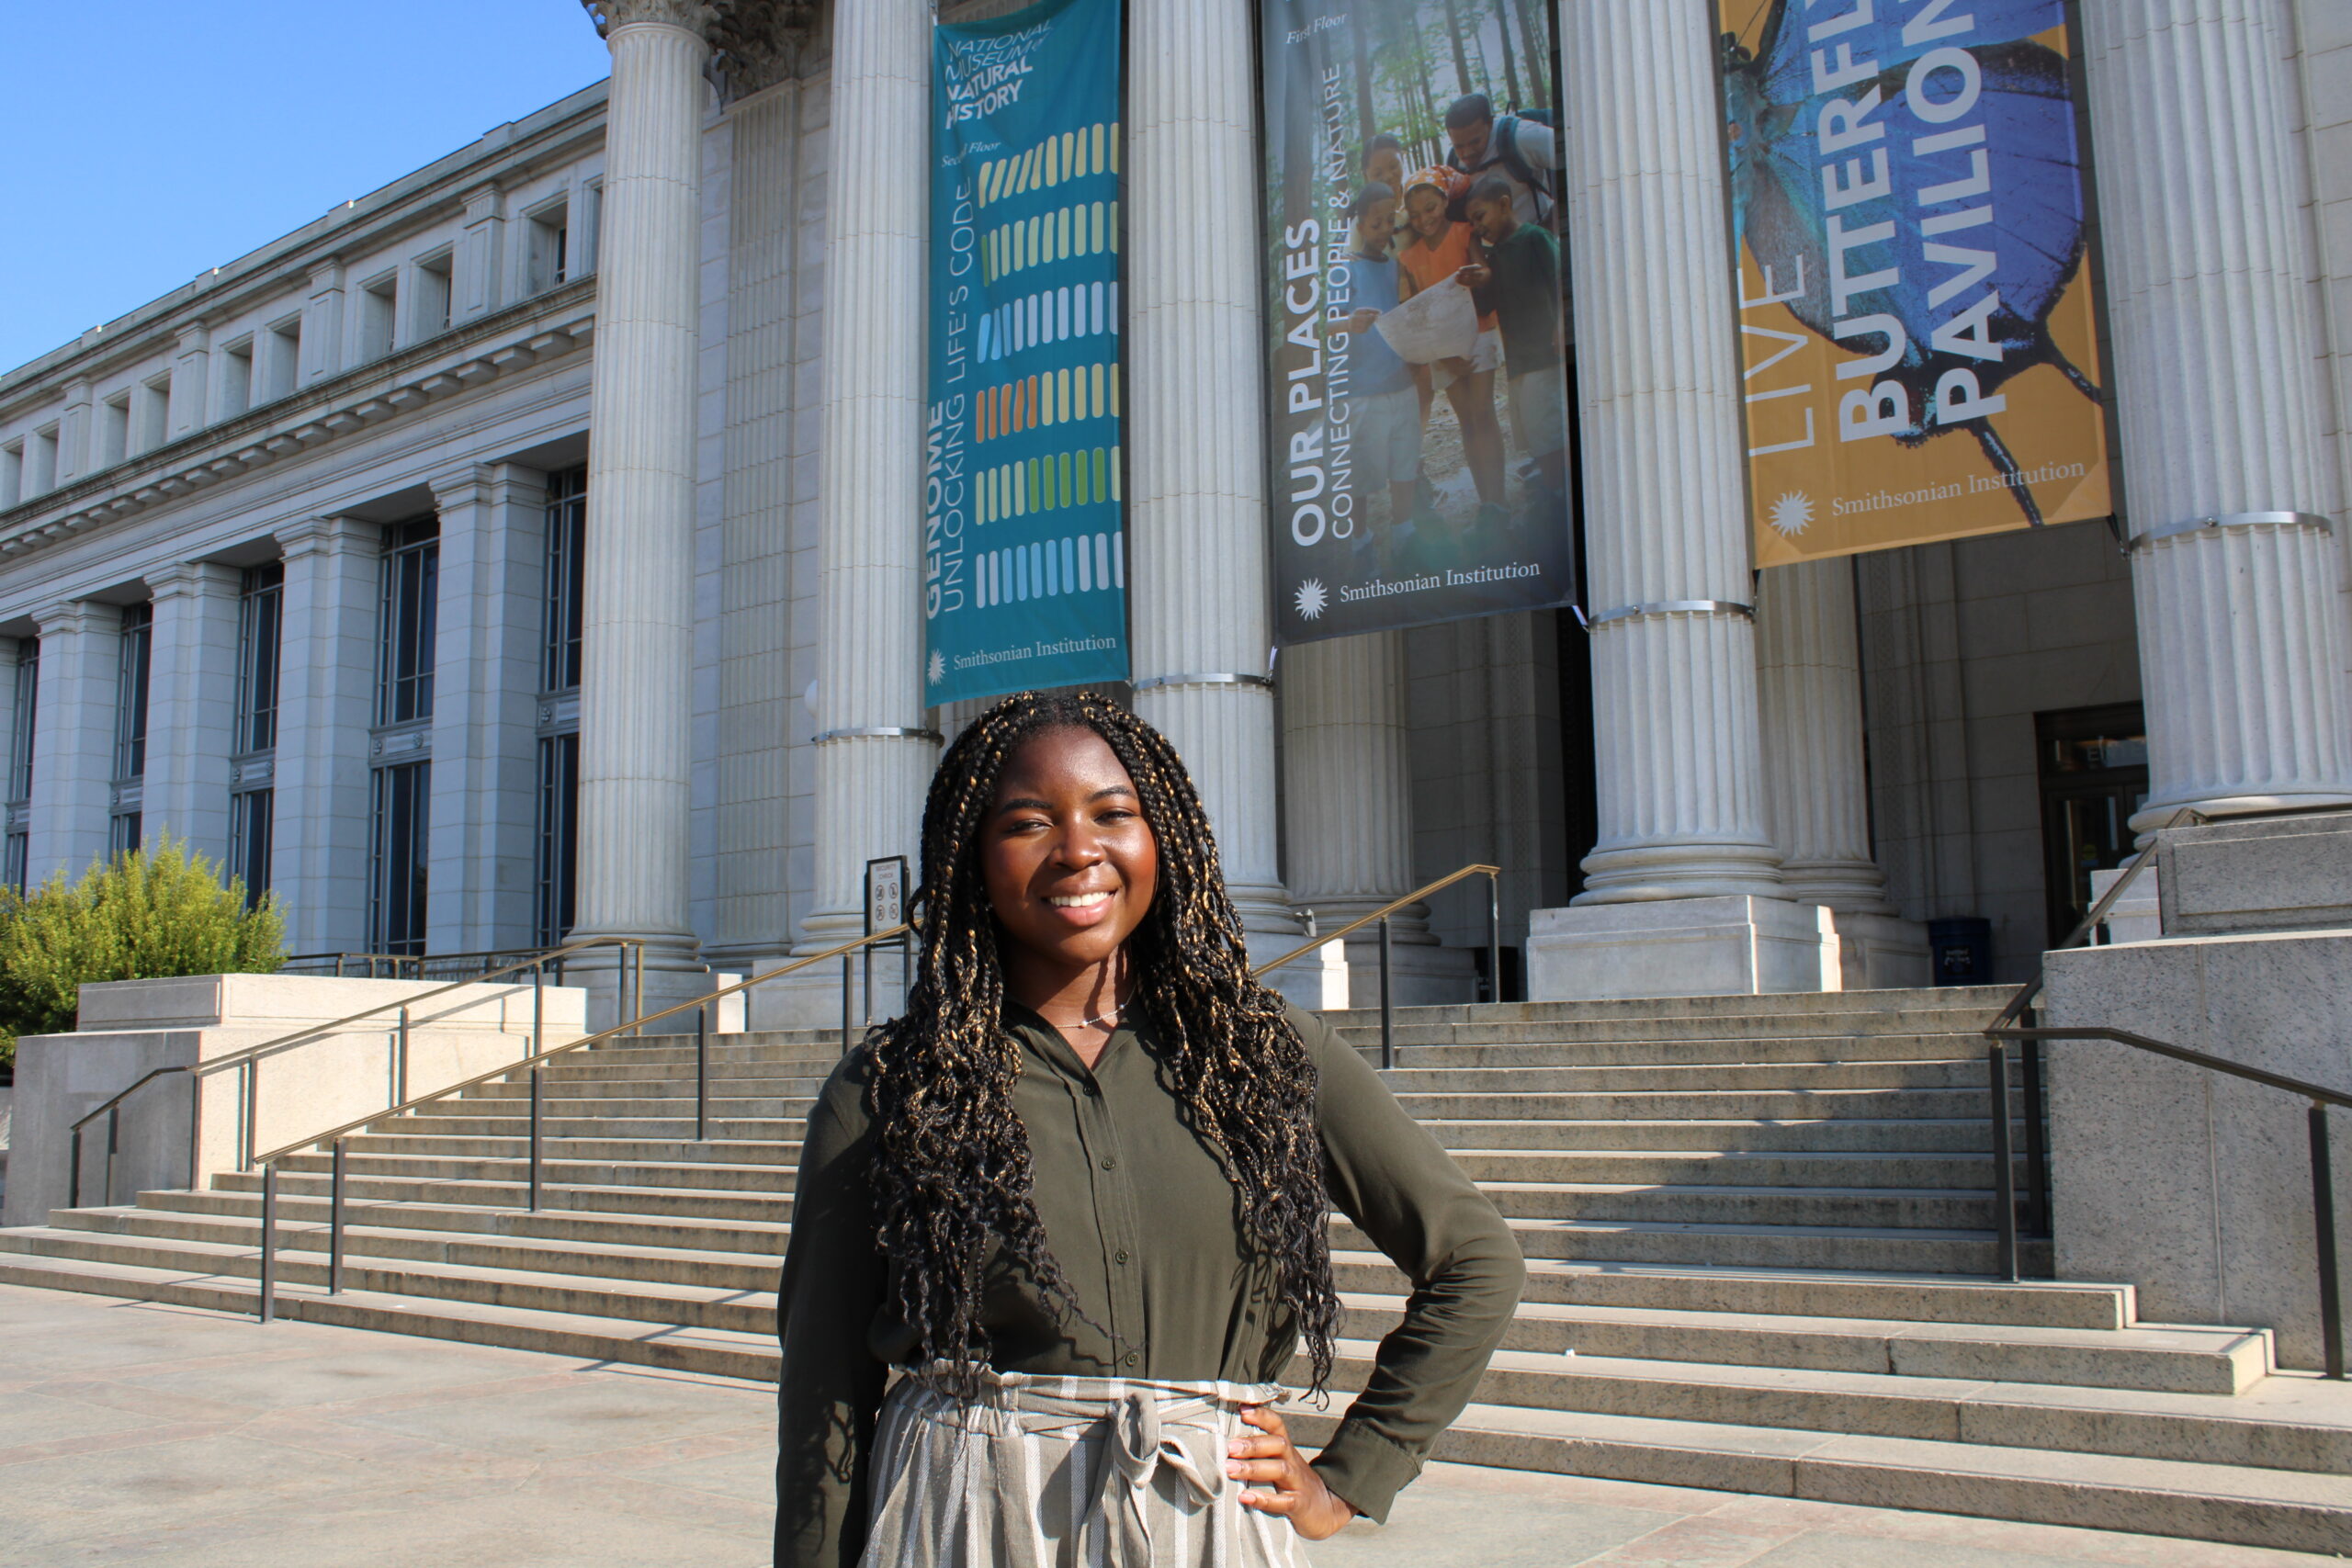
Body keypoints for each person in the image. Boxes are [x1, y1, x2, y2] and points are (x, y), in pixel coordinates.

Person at [774, 691, 1524, 1568]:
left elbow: (1476, 1260)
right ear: (971, 858)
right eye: (1027, 823)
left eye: (1112, 813)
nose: (1079, 849)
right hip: (969, 1519)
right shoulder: (888, 1092)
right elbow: (826, 1393)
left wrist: (1349, 1476)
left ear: (1161, 836)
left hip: (1203, 1519)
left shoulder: (1267, 1056)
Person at [1455, 174, 1568, 522]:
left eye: (1481, 217)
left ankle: (1559, 497)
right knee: (1534, 433)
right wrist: (1477, 268)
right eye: (1471, 222)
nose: (1478, 227)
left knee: (1547, 431)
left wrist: (1561, 326)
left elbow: (1560, 280)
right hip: (1518, 362)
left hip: (1543, 356)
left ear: (1504, 205)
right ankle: (1551, 491)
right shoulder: (1494, 255)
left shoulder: (1534, 238)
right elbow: (1486, 305)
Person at [1397, 167, 1508, 522]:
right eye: (1415, 214)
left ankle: (1498, 501)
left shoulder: (1463, 233)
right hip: (1443, 349)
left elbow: (1484, 271)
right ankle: (1486, 504)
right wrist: (1442, 358)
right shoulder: (1409, 258)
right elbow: (1417, 312)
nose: (1424, 218)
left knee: (1483, 415)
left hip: (1477, 333)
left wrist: (1481, 276)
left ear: (1444, 201)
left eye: (1430, 207)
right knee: (1467, 423)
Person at [1339, 184, 1433, 539]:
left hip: (1402, 383)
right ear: (1360, 225)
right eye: (1375, 224)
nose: (1383, 231)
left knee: (1405, 459)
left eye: (1389, 221)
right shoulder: (1345, 269)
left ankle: (1403, 531)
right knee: (1361, 471)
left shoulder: (1397, 268)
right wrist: (1349, 324)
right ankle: (1360, 539)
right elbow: (1322, 326)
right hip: (1363, 390)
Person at [1442, 92, 1557, 228]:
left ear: (1490, 123)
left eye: (1475, 142)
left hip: (1537, 236)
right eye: (1459, 146)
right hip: (1494, 247)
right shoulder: (1453, 163)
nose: (1467, 153)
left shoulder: (1521, 136)